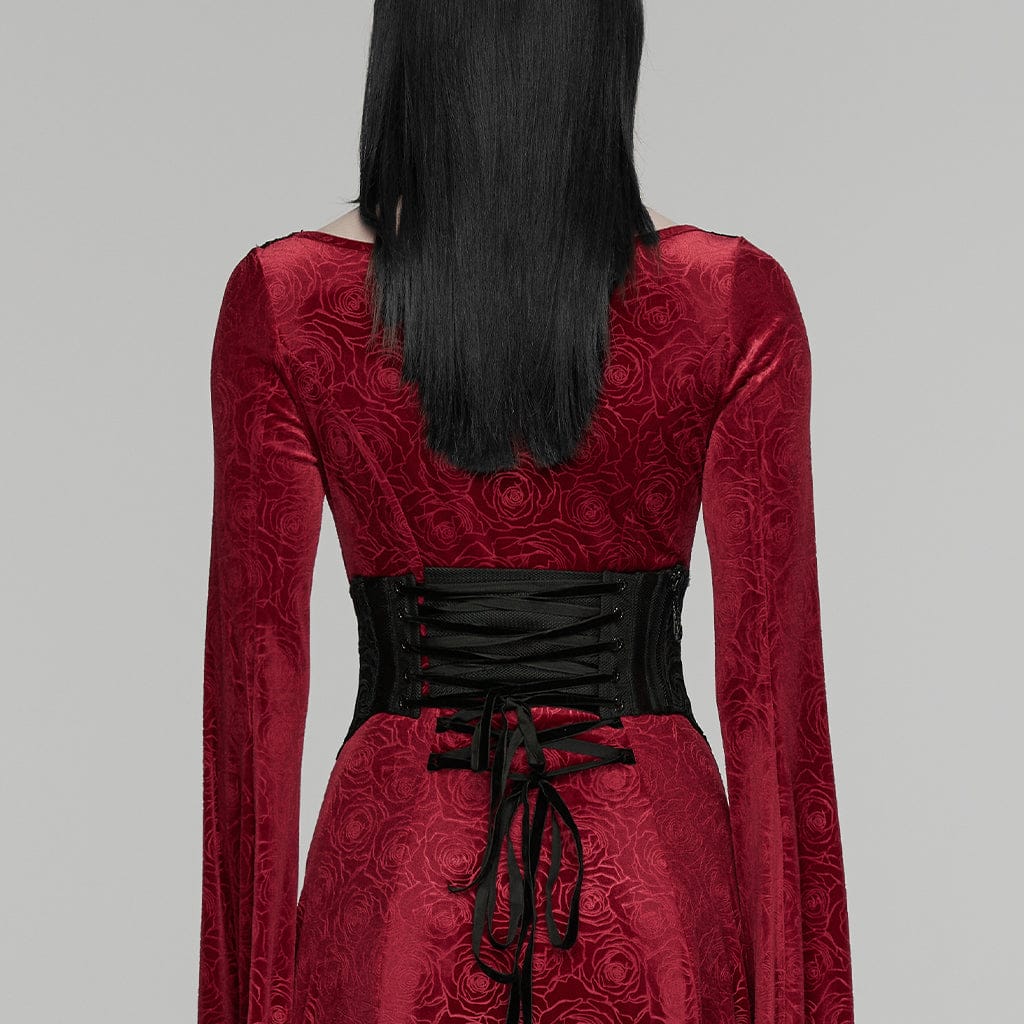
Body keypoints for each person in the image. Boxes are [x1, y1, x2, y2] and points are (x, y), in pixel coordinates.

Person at [198, 2, 855, 1023]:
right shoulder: (727, 299)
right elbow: (776, 706)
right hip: (654, 893)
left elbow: (255, 687)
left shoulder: (288, 300)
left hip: (395, 891)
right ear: (609, 49)